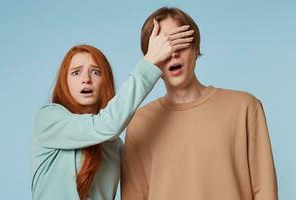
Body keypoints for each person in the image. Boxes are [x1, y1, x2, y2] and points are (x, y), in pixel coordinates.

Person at [121, 7, 278, 200]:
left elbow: (265, 190)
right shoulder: (140, 122)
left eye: (180, 42)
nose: (173, 53)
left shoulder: (245, 108)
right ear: (151, 59)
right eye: (163, 47)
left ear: (196, 48)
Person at [30, 24, 195, 200]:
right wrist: (150, 62)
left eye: (95, 72)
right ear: (65, 82)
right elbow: (107, 125)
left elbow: (143, 185)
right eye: (76, 73)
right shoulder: (48, 118)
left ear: (105, 81)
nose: (86, 79)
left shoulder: (114, 146)